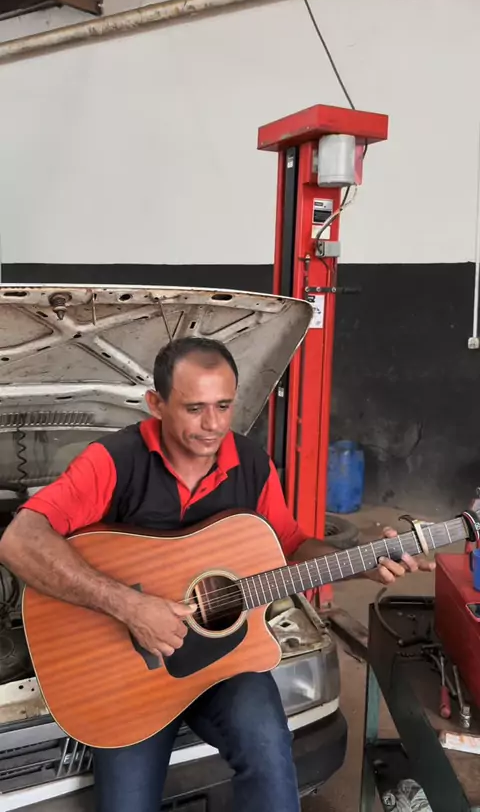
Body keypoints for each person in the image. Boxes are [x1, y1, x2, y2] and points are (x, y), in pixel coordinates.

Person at [0, 337, 435, 812]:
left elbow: (288, 544)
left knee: (271, 754)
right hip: (126, 677)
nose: (213, 425)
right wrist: (130, 606)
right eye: (195, 408)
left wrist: (358, 560)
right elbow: (20, 540)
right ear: (156, 404)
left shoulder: (250, 463)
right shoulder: (114, 462)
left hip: (224, 667)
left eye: (224, 406)